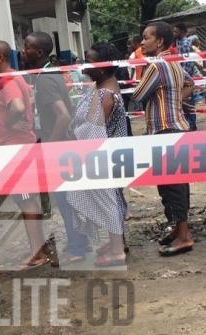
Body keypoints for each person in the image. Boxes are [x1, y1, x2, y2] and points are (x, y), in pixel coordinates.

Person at [23, 31, 89, 264]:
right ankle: (80, 243)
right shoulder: (47, 74)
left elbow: (62, 116)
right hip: (64, 146)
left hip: (59, 150)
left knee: (66, 200)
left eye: (27, 47)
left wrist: (48, 147)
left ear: (39, 52)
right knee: (71, 199)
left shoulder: (47, 79)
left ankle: (77, 247)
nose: (23, 51)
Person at [0, 41, 50, 268]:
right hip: (20, 146)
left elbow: (19, 107)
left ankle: (37, 254)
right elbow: (28, 100)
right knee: (30, 200)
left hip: (14, 148)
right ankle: (40, 248)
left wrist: (8, 126)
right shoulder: (15, 77)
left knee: (26, 201)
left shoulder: (8, 79)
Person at [133, 22, 195, 257]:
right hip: (176, 127)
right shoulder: (174, 62)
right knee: (177, 184)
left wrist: (167, 101)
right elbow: (191, 84)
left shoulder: (157, 64)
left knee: (172, 186)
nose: (142, 42)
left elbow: (139, 95)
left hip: (164, 130)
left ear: (159, 41)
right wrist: (175, 101)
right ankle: (178, 230)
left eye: (146, 38)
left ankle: (184, 236)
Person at [66, 43, 129, 267]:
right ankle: (116, 243)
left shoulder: (104, 95)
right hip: (101, 156)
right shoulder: (102, 89)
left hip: (102, 157)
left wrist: (72, 129)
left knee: (107, 201)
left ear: (101, 68)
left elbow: (92, 128)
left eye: (89, 60)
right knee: (109, 200)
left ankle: (117, 251)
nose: (84, 64)